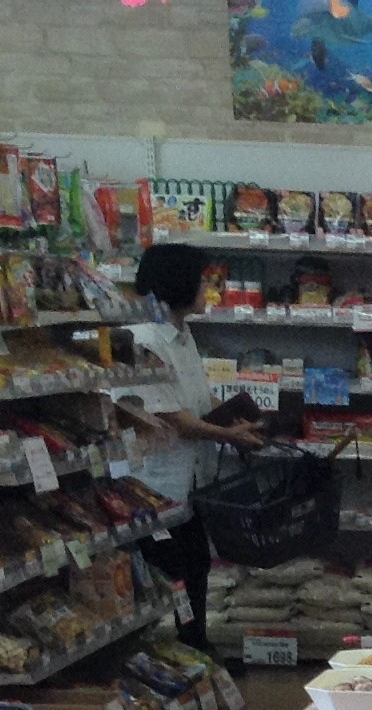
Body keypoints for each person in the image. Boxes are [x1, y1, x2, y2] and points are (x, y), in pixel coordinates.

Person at [126, 243, 262, 647]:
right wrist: (228, 435)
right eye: (203, 281)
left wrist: (232, 416)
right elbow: (173, 419)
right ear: (178, 282)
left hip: (188, 484)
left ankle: (195, 649)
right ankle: (163, 654)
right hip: (154, 487)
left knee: (195, 566)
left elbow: (197, 401)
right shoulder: (144, 339)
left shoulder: (182, 335)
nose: (209, 290)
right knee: (166, 575)